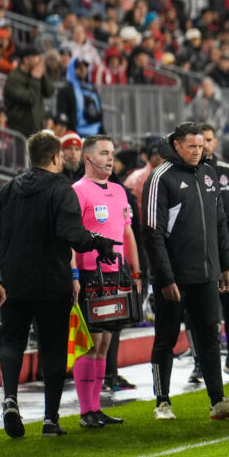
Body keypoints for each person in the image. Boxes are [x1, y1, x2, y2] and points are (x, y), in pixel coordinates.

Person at [0, 132, 118, 438]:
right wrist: (99, 243)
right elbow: (72, 234)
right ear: (55, 157)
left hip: (13, 280)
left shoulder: (7, 189)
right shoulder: (60, 188)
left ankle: (10, 398)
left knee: (12, 341)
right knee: (52, 347)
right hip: (52, 281)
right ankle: (51, 419)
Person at [142, 122, 229, 421]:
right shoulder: (160, 178)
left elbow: (220, 223)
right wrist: (165, 278)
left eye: (201, 145)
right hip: (175, 279)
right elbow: (152, 232)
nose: (199, 151)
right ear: (177, 145)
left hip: (206, 275)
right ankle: (162, 401)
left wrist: (225, 266)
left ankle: (218, 400)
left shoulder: (208, 174)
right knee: (166, 338)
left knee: (209, 336)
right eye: (192, 146)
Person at [71, 135, 142, 428]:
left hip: (116, 273)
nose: (110, 158)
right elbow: (71, 239)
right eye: (103, 153)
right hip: (90, 274)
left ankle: (96, 407)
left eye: (111, 153)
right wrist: (74, 274)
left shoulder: (119, 191)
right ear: (88, 158)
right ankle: (86, 410)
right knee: (92, 342)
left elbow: (127, 234)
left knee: (106, 342)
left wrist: (135, 272)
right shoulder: (77, 191)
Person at [200, 123, 229, 376]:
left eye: (208, 140)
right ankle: (200, 365)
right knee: (204, 316)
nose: (204, 145)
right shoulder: (188, 174)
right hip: (202, 255)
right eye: (199, 140)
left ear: (215, 143)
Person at [3, 46, 54, 138]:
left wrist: (43, 74)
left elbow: (49, 91)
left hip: (36, 128)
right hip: (19, 130)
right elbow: (29, 99)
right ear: (26, 59)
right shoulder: (14, 78)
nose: (39, 59)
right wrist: (35, 79)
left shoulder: (36, 74)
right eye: (35, 56)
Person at [56, 58, 104, 137]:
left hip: (96, 133)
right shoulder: (66, 90)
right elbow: (62, 114)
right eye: (78, 67)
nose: (82, 70)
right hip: (77, 134)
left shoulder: (92, 88)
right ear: (72, 69)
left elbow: (98, 111)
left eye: (84, 67)